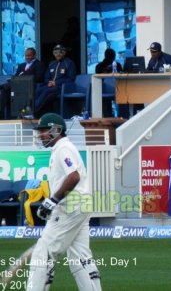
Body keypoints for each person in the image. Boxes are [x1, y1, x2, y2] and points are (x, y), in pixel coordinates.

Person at [26, 113, 101, 291]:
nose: (40, 135)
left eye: (44, 131)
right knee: (80, 257)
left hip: (70, 207)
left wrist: (52, 200)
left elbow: (73, 176)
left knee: (43, 252)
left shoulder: (63, 149)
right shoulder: (62, 149)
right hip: (81, 205)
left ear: (56, 130)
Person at [0, 47, 46, 119]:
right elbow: (16, 76)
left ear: (34, 55)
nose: (27, 57)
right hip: (18, 85)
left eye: (29, 55)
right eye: (26, 55)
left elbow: (39, 78)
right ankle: (1, 115)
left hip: (30, 86)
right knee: (4, 91)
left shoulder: (39, 64)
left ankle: (3, 86)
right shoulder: (21, 66)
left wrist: (24, 78)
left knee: (6, 87)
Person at [34, 44, 76, 118]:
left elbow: (70, 78)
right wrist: (49, 82)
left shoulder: (69, 63)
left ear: (64, 53)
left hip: (62, 87)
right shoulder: (52, 64)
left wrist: (56, 83)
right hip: (50, 86)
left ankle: (34, 111)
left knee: (46, 92)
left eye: (60, 52)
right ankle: (30, 109)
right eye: (56, 52)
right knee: (38, 90)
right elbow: (46, 77)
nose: (58, 54)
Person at [95, 48, 127, 118]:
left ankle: (107, 117)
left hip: (107, 90)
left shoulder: (99, 66)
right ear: (114, 56)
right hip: (115, 89)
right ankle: (122, 117)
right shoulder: (117, 65)